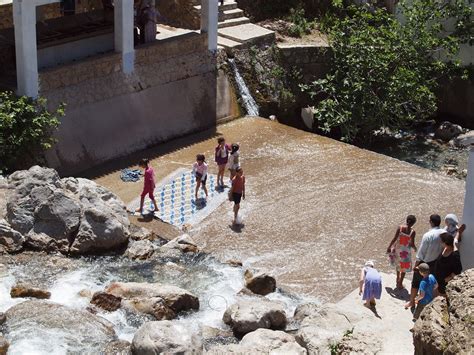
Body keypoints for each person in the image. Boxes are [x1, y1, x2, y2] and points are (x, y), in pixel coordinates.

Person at [405, 214, 444, 310]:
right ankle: (427, 303)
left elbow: (420, 253)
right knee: (429, 283)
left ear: (431, 222)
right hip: (435, 262)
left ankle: (412, 302)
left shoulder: (428, 235)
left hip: (424, 263)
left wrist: (416, 265)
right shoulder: (444, 232)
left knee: (415, 283)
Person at [387, 215, 417, 290]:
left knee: (398, 264)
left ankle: (397, 278)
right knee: (404, 267)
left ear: (406, 220)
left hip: (397, 249)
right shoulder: (412, 232)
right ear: (413, 223)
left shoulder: (400, 228)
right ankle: (400, 283)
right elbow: (412, 244)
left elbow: (394, 239)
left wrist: (389, 247)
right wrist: (415, 248)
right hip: (405, 252)